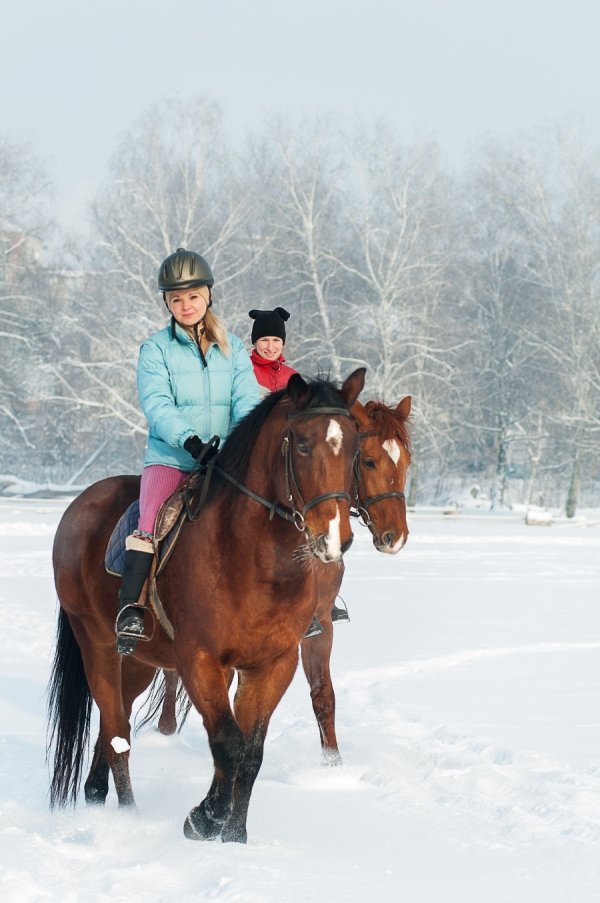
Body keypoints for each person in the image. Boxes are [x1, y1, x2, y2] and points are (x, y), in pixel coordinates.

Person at [115, 248, 260, 655]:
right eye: (176, 299)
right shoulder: (155, 349)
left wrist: (236, 445)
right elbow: (157, 403)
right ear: (166, 302)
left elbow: (247, 401)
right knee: (151, 519)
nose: (185, 305)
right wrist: (190, 442)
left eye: (192, 296)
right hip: (173, 458)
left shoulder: (232, 347)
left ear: (208, 296)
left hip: (226, 461)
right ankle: (132, 609)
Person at [248, 307, 350, 634]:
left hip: (285, 459)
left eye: (275, 340)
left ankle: (316, 598)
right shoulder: (243, 371)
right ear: (255, 343)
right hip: (250, 452)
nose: (269, 346)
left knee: (308, 515)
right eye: (264, 340)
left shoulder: (293, 378)